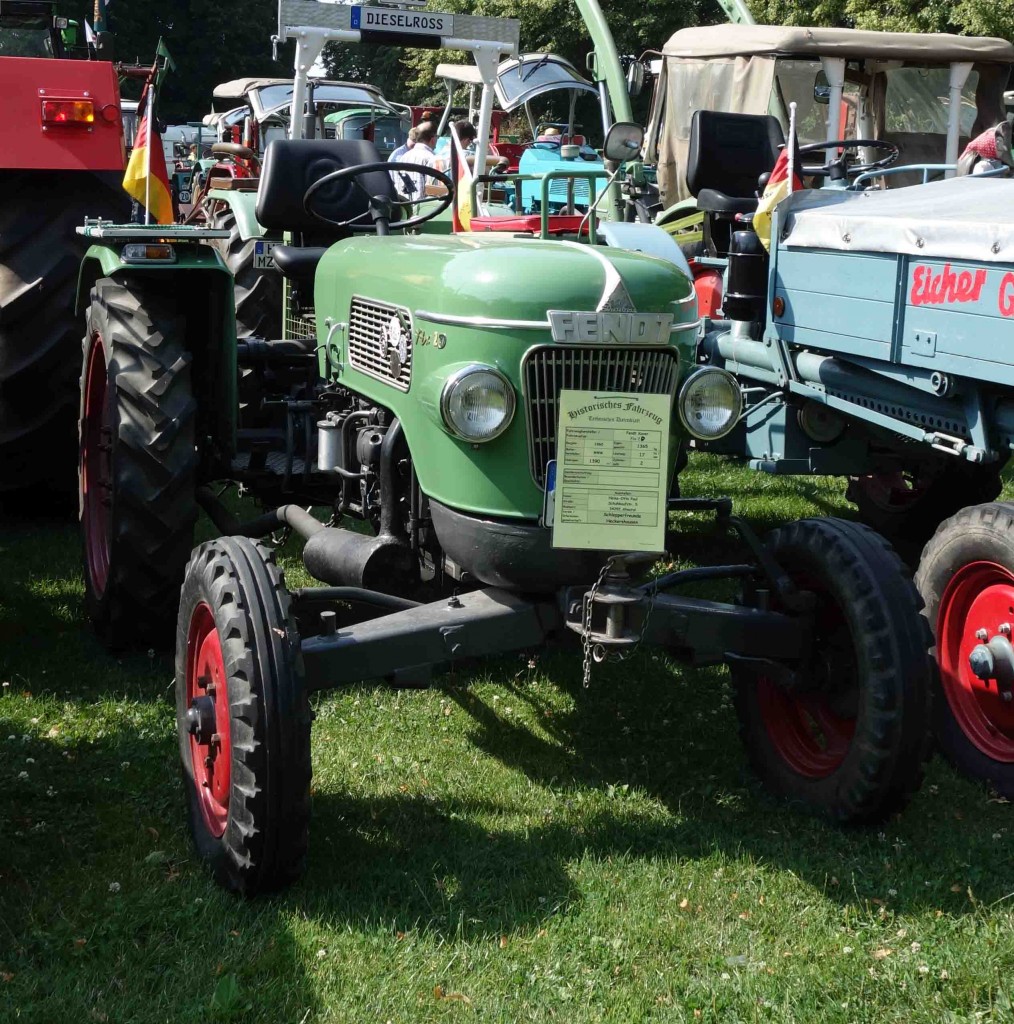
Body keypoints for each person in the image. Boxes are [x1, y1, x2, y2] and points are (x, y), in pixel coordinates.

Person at [399, 121, 440, 202]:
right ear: (433, 139)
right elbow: (434, 191)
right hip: (424, 210)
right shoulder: (432, 159)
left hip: (406, 209)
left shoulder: (403, 157)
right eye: (437, 136)